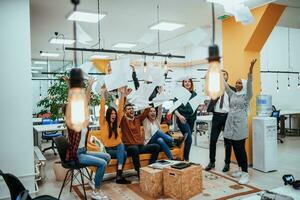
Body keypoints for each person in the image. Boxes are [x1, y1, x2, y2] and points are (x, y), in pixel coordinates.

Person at [64, 68, 111, 200]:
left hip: (83, 151)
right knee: (103, 163)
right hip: (76, 155)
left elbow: (86, 101)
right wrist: (72, 88)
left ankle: (94, 181)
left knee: (106, 156)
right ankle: (96, 191)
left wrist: (89, 85)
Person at [223, 59, 256, 184]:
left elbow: (250, 83)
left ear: (243, 85)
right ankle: (240, 169)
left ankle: (245, 173)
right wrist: (219, 75)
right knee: (235, 149)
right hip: (230, 124)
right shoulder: (232, 94)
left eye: (239, 83)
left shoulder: (247, 95)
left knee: (240, 149)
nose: (237, 85)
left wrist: (251, 69)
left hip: (240, 125)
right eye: (236, 83)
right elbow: (225, 86)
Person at [99, 85, 131, 184]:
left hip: (117, 148)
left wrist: (122, 95)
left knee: (121, 147)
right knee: (123, 151)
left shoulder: (116, 123)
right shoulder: (103, 122)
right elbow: (102, 110)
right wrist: (103, 94)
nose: (114, 115)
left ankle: (119, 175)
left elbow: (120, 110)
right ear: (108, 115)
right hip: (108, 150)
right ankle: (119, 175)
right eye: (112, 114)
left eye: (114, 114)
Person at [205, 70, 236, 172]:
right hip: (216, 117)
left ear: (227, 77)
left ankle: (227, 163)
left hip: (228, 117)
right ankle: (212, 161)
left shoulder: (232, 90)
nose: (222, 76)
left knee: (227, 142)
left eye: (224, 74)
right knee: (213, 140)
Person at [120, 102, 160, 178]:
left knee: (156, 147)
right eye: (129, 109)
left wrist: (145, 99)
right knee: (134, 149)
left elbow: (147, 110)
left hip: (139, 146)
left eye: (132, 108)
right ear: (125, 111)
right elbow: (120, 111)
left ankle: (150, 168)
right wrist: (123, 96)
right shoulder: (123, 120)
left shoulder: (138, 119)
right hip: (129, 147)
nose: (131, 110)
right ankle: (139, 172)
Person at [174, 78, 197, 161]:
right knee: (190, 140)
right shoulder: (179, 94)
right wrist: (180, 116)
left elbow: (195, 106)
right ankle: (186, 159)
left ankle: (182, 156)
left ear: (191, 83)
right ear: (183, 83)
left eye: (189, 81)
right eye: (185, 82)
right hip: (182, 119)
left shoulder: (194, 94)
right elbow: (174, 108)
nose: (187, 83)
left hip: (191, 119)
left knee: (187, 139)